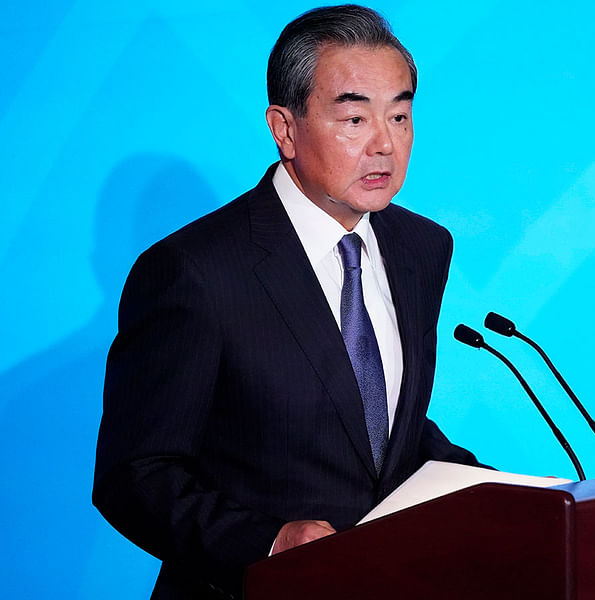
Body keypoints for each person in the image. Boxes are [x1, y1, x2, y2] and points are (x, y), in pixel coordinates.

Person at [93, 5, 482, 599]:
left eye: (400, 116)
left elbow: (374, 429)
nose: (384, 144)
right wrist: (268, 543)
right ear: (285, 128)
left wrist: (502, 491)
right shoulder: (194, 271)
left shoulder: (421, 247)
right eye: (355, 118)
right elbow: (136, 475)